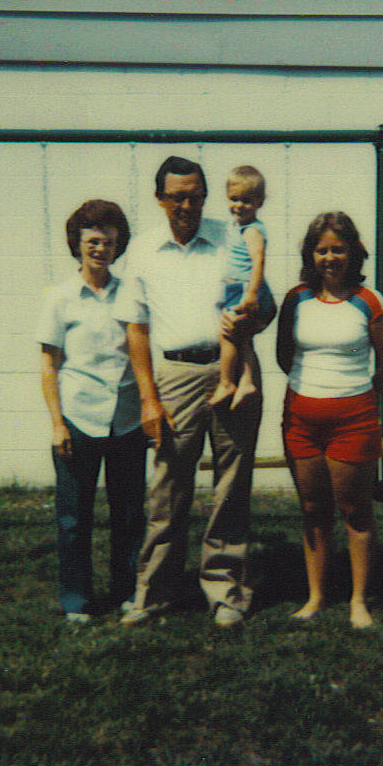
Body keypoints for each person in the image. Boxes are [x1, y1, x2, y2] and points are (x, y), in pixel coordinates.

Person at [114, 155, 273, 630]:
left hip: (232, 369)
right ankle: (153, 593)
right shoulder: (143, 249)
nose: (187, 206)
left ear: (206, 196)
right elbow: (136, 328)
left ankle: (226, 592)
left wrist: (252, 318)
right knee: (168, 489)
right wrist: (148, 399)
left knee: (232, 487)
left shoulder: (233, 236)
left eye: (195, 196)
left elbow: (264, 302)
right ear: (159, 199)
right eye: (176, 197)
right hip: (174, 376)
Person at [276, 211, 383, 628]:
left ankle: (358, 601)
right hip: (300, 421)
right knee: (313, 509)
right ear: (311, 255)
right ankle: (315, 597)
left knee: (355, 511)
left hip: (354, 422)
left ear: (353, 253)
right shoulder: (296, 298)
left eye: (338, 249)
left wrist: (352, 396)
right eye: (322, 250)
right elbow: (283, 355)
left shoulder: (370, 300)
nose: (330, 258)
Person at [36, 199, 146, 624]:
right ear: (77, 244)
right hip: (78, 420)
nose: (101, 249)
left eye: (109, 242)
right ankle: (76, 599)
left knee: (128, 514)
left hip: (126, 420)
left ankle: (127, 591)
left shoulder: (131, 293)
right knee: (73, 517)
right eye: (93, 241)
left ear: (119, 247)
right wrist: (57, 424)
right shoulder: (60, 298)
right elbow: (49, 364)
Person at [208, 165, 273, 410]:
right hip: (238, 287)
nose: (239, 205)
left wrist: (252, 293)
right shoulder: (236, 226)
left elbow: (258, 260)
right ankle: (246, 380)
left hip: (244, 288)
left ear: (259, 202)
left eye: (247, 201)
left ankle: (226, 382)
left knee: (227, 334)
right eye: (234, 199)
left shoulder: (252, 230)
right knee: (242, 337)